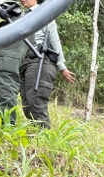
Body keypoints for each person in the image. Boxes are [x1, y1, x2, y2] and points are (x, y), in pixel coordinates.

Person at [18, 0, 75, 129]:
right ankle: (37, 136)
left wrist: (62, 67)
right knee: (27, 103)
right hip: (24, 63)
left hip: (40, 61)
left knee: (36, 101)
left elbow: (55, 42)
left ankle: (45, 136)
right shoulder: (20, 15)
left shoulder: (43, 15)